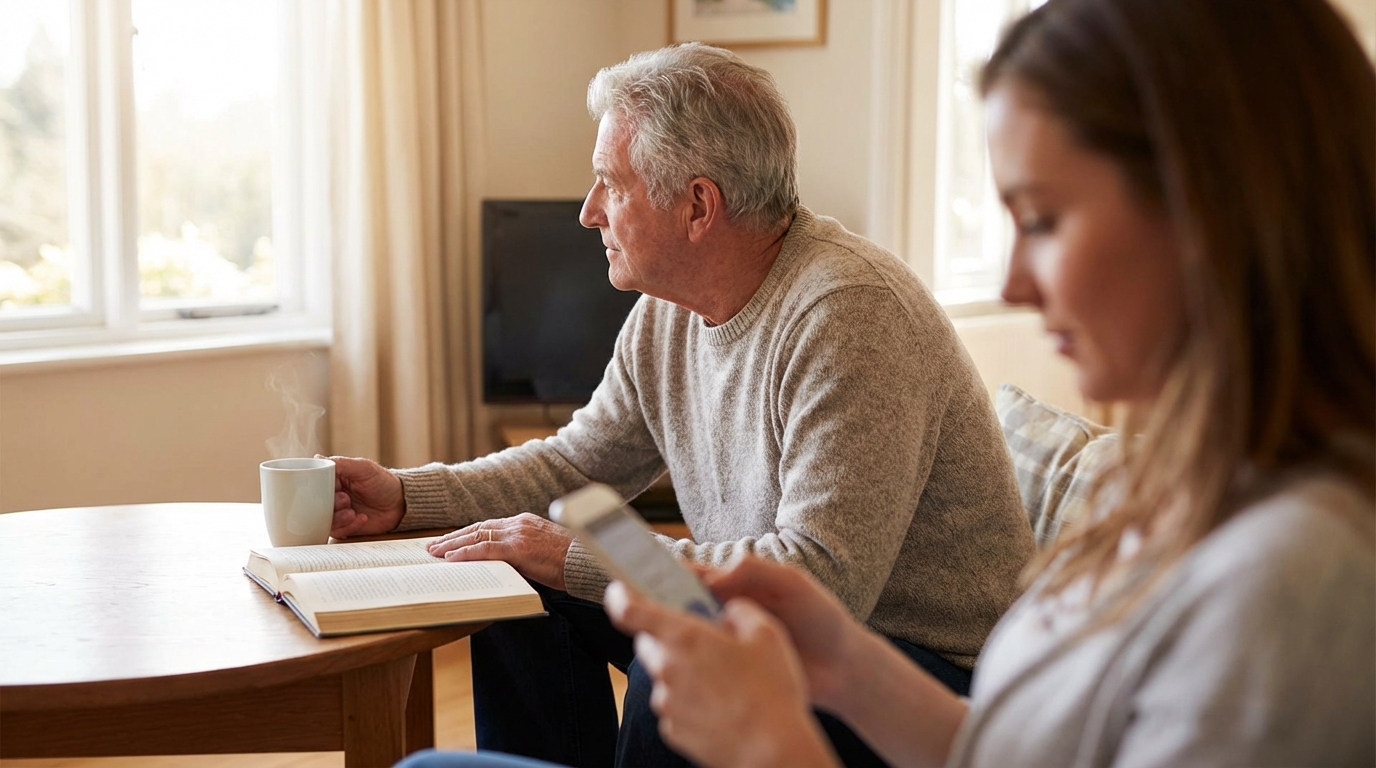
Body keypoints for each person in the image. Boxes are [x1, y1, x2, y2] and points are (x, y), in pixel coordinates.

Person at [596, 0, 1376, 766]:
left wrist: (771, 746)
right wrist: (845, 664)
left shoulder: (1292, 578)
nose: (1011, 285)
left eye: (1040, 220)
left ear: (1211, 213)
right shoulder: (1173, 490)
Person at [333, 43, 1035, 768]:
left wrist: (580, 554)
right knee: (511, 576)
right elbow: (573, 465)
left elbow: (821, 583)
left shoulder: (848, 315)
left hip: (922, 675)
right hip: (773, 624)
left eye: (611, 183)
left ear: (697, 205)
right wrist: (406, 495)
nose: (587, 212)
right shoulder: (668, 314)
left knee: (672, 659)